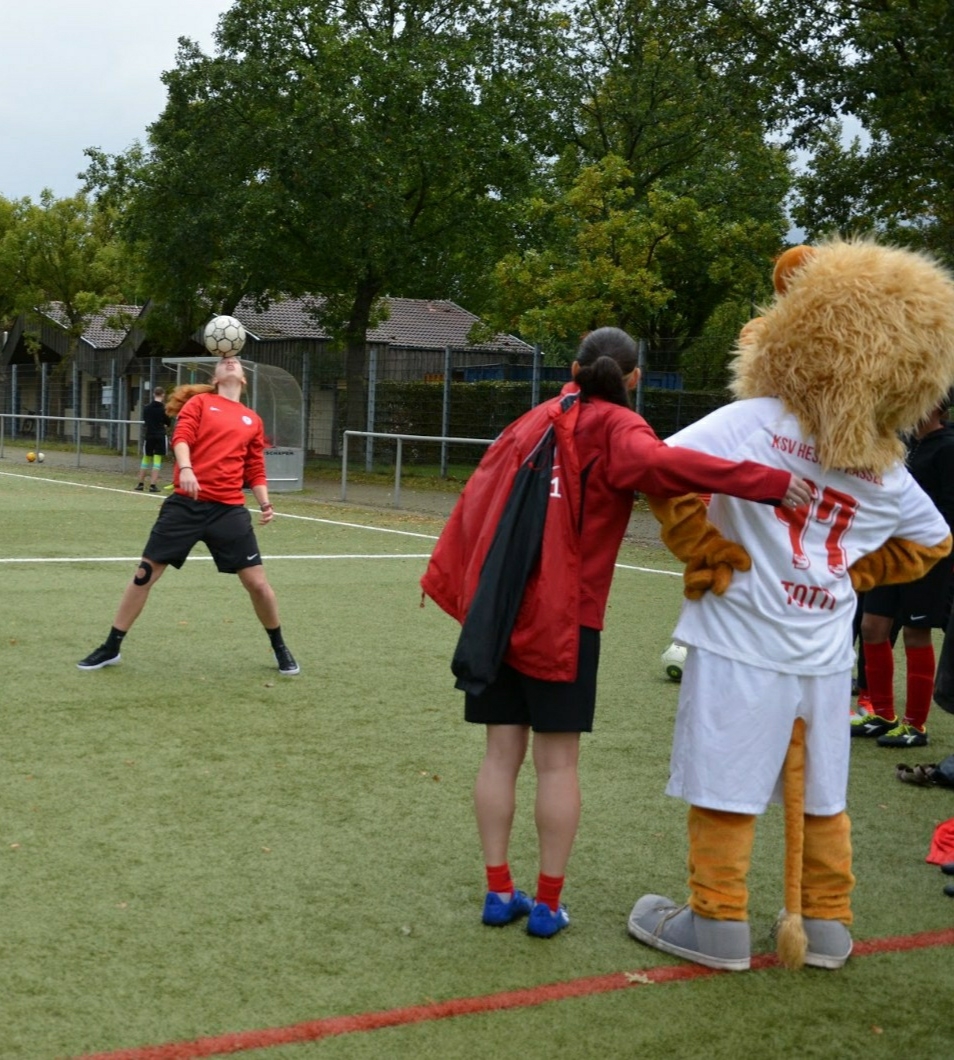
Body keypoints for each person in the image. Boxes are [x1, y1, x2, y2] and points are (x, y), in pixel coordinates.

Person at [627, 238, 954, 974]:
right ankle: (829, 926)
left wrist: (704, 544)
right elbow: (934, 539)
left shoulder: (757, 420)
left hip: (741, 639)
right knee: (823, 793)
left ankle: (716, 921)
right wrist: (858, 570)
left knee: (725, 782)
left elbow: (657, 468)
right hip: (824, 653)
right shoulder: (886, 465)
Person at [420, 326, 810, 939]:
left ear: (572, 369)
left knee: (499, 754)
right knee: (557, 765)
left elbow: (479, 499)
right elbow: (666, 466)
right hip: (564, 620)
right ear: (635, 377)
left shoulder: (535, 419)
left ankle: (498, 892)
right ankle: (547, 905)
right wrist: (770, 483)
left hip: (500, 611)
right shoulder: (621, 428)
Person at [78, 356, 299, 676]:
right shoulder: (200, 403)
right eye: (224, 361)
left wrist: (265, 503)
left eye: (235, 361)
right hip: (185, 505)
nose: (230, 362)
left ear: (243, 379)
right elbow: (181, 438)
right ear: (216, 377)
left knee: (258, 584)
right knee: (144, 574)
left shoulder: (252, 419)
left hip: (228, 510)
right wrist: (186, 468)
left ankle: (280, 647)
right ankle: (111, 647)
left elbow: (255, 468)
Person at [851, 393, 954, 746]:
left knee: (915, 632)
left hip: (927, 556)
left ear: (936, 406)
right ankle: (881, 714)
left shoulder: (948, 447)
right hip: (889, 550)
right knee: (871, 626)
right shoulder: (903, 444)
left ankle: (915, 725)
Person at [135, 386, 171, 493]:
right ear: (163, 395)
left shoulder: (146, 408)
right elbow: (168, 422)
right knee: (157, 460)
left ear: (153, 394)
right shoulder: (164, 409)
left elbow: (146, 421)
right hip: (160, 435)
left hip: (149, 435)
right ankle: (153, 485)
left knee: (146, 458)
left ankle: (140, 484)